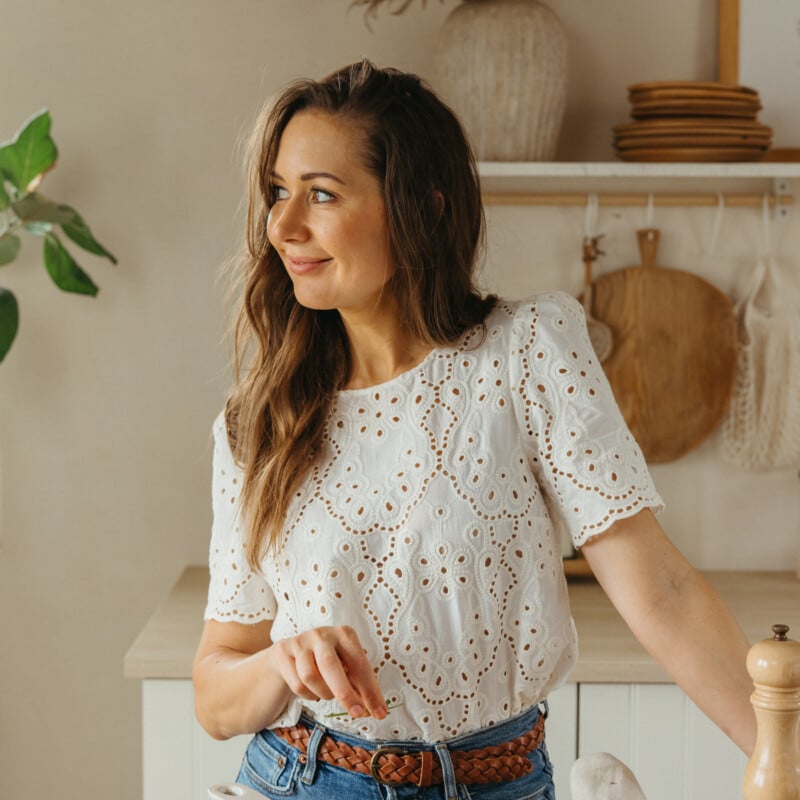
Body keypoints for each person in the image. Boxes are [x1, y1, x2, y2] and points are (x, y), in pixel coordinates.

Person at [193, 60, 756, 800]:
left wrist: (784, 746)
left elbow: (663, 590)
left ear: (419, 210)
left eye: (322, 193)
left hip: (502, 781)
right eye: (277, 191)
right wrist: (280, 663)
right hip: (307, 779)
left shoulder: (526, 351)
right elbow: (215, 687)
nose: (284, 225)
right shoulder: (258, 422)